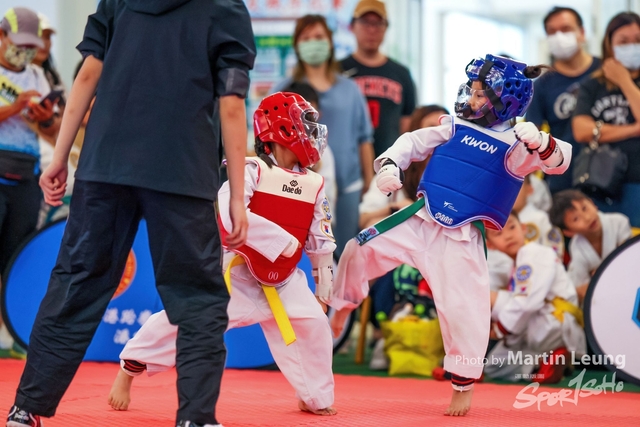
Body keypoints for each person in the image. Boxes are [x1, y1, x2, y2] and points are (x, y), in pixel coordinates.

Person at [5, 1, 255, 426]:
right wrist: (235, 196)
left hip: (105, 166)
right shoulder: (225, 8)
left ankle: (25, 409)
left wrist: (60, 157)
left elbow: (88, 74)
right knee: (197, 298)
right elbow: (231, 104)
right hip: (181, 170)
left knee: (76, 282)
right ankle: (195, 418)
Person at [329, 54, 572, 416]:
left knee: (465, 311)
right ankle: (342, 305)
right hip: (421, 218)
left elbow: (560, 162)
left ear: (506, 100)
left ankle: (462, 384)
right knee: (358, 248)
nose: (471, 99)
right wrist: (391, 165)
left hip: (461, 237)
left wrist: (541, 142)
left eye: (480, 94)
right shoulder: (454, 126)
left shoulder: (519, 146)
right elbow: (412, 141)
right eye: (470, 91)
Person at [108, 92, 338, 417]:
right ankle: (128, 371)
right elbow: (231, 215)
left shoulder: (314, 183)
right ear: (283, 130)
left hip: (286, 280)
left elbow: (321, 238)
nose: (313, 134)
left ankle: (314, 396)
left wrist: (323, 287)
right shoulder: (250, 170)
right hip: (237, 275)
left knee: (314, 326)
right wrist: (280, 241)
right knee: (183, 319)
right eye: (306, 125)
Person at [272, 14, 373, 257]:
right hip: (298, 189)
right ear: (297, 45)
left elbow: (364, 138)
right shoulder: (284, 90)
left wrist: (369, 184)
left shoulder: (350, 89)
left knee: (346, 255)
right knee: (302, 256)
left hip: (348, 188)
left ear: (329, 41)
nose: (313, 43)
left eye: (318, 36)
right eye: (306, 38)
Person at [359, 104, 447, 370]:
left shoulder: (455, 174)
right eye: (429, 127)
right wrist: (396, 210)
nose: (436, 133)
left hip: (441, 253)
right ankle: (385, 333)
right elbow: (364, 219)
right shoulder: (392, 170)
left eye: (442, 128)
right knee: (387, 257)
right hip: (401, 254)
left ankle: (444, 341)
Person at [0, 6, 57, 360]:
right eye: (18, 43)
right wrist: (15, 106)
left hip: (25, 177)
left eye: (29, 46)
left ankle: (11, 336)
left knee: (15, 259)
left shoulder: (38, 76)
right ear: (1, 36)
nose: (23, 51)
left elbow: (52, 132)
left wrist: (45, 118)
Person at [483, 212, 585, 383]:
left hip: (554, 324)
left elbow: (527, 303)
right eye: (498, 233)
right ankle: (541, 366)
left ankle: (553, 357)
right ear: (490, 245)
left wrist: (499, 330)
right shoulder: (517, 262)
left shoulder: (534, 253)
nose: (508, 236)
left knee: (490, 297)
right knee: (494, 365)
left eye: (512, 227)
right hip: (541, 327)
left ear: (524, 229)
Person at [572, 12, 640, 227]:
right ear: (610, 45)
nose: (632, 46)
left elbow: (591, 129)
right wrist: (634, 129)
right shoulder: (592, 85)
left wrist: (624, 81)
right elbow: (581, 130)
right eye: (623, 41)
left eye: (637, 40)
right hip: (601, 183)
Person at [526, 6, 601, 194]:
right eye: (552, 32)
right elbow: (530, 138)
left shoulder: (604, 72)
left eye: (566, 29)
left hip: (609, 176)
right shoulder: (541, 85)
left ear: (582, 33)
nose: (559, 37)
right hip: (563, 182)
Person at [340, 0, 416, 157]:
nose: (372, 30)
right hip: (347, 161)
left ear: (386, 28)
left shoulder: (401, 73)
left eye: (378, 24)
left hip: (390, 161)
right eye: (365, 23)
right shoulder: (338, 70)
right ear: (352, 26)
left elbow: (407, 125)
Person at [548, 189, 631, 305]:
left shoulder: (619, 222)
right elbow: (583, 290)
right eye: (576, 219)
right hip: (606, 296)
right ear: (569, 232)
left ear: (592, 203)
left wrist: (601, 274)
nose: (587, 218)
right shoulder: (577, 249)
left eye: (584, 208)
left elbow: (630, 261)